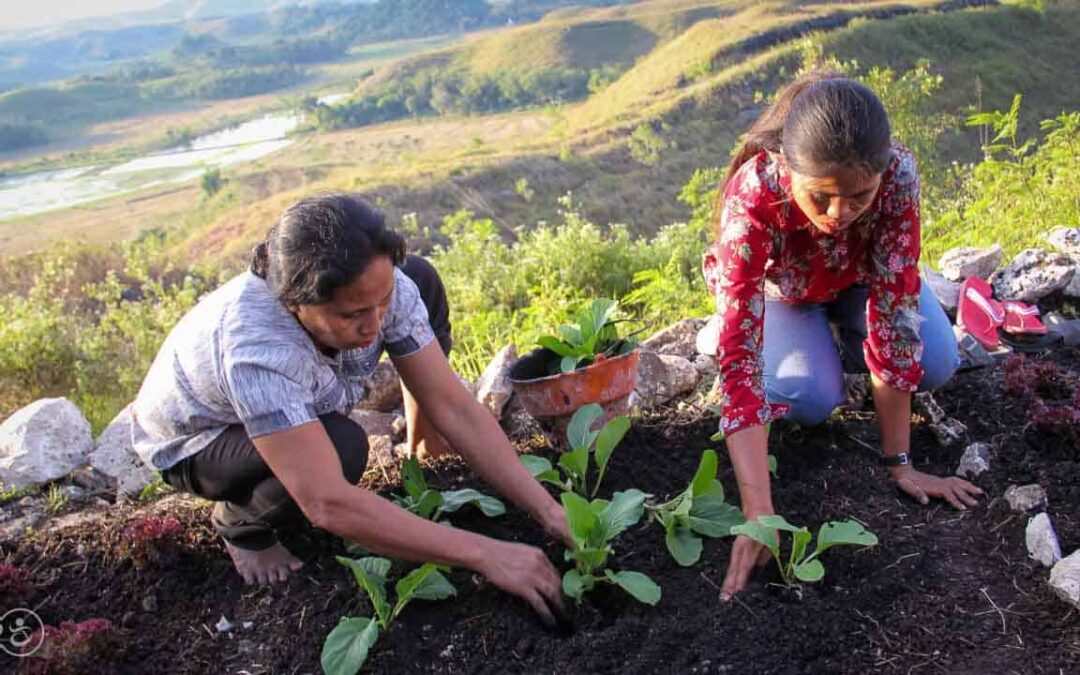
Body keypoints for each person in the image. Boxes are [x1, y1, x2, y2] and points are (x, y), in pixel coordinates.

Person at [131, 193, 568, 625]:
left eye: (383, 301)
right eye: (353, 314)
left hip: (288, 401)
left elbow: (452, 403)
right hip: (201, 441)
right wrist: (487, 554)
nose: (376, 325)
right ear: (294, 303)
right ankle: (240, 523)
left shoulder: (381, 288)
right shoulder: (258, 350)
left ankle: (423, 445)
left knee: (421, 278)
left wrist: (550, 512)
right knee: (341, 449)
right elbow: (328, 504)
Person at [701, 73, 984, 600]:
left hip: (858, 282)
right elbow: (739, 354)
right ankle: (818, 348)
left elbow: (895, 308)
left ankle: (838, 344)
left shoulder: (898, 174)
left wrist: (901, 464)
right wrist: (758, 509)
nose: (839, 214)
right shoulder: (755, 194)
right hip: (787, 291)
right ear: (789, 168)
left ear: (881, 173)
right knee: (811, 399)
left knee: (936, 364)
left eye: (858, 196)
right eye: (821, 197)